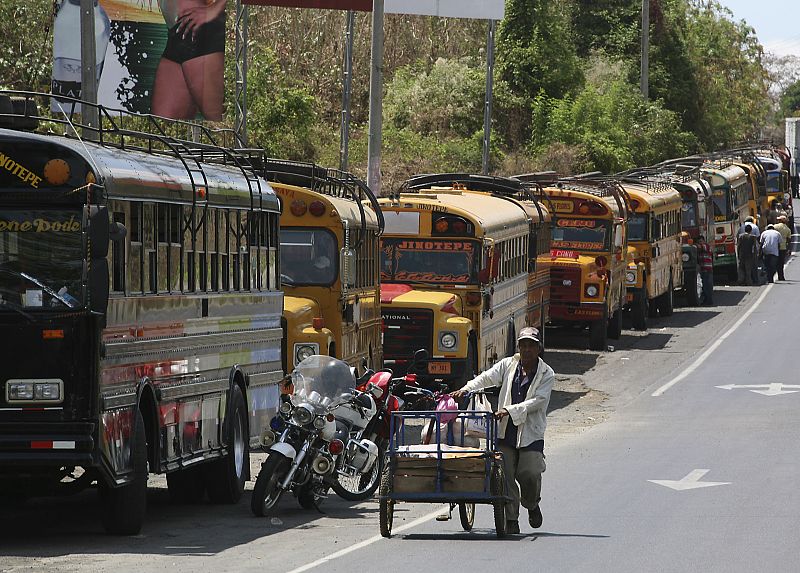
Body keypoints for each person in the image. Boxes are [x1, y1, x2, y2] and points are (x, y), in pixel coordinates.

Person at [451, 326, 555, 535]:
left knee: (530, 472)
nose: (526, 350)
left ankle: (532, 504)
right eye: (523, 345)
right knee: (505, 475)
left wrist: (509, 410)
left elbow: (538, 401)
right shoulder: (509, 365)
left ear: (538, 349)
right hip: (505, 431)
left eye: (531, 346)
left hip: (530, 433)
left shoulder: (546, 373)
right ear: (518, 347)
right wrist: (465, 389)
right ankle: (511, 519)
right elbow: (486, 378)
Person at [151, 0, 227, 121]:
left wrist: (214, 10)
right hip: (177, 34)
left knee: (220, 123)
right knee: (161, 127)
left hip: (201, 33)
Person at [696, 235, 714, 305]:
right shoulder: (701, 249)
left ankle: (709, 301)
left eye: (701, 241)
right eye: (699, 242)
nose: (700, 243)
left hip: (707, 269)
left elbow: (700, 247)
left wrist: (695, 245)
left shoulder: (706, 246)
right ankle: (707, 300)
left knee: (707, 286)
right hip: (703, 269)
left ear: (704, 241)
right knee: (705, 286)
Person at [774, 216, 792, 281]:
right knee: (781, 263)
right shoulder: (787, 229)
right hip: (783, 248)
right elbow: (789, 240)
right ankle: (781, 276)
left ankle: (772, 276)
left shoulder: (775, 226)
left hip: (775, 247)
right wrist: (789, 249)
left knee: (775, 262)